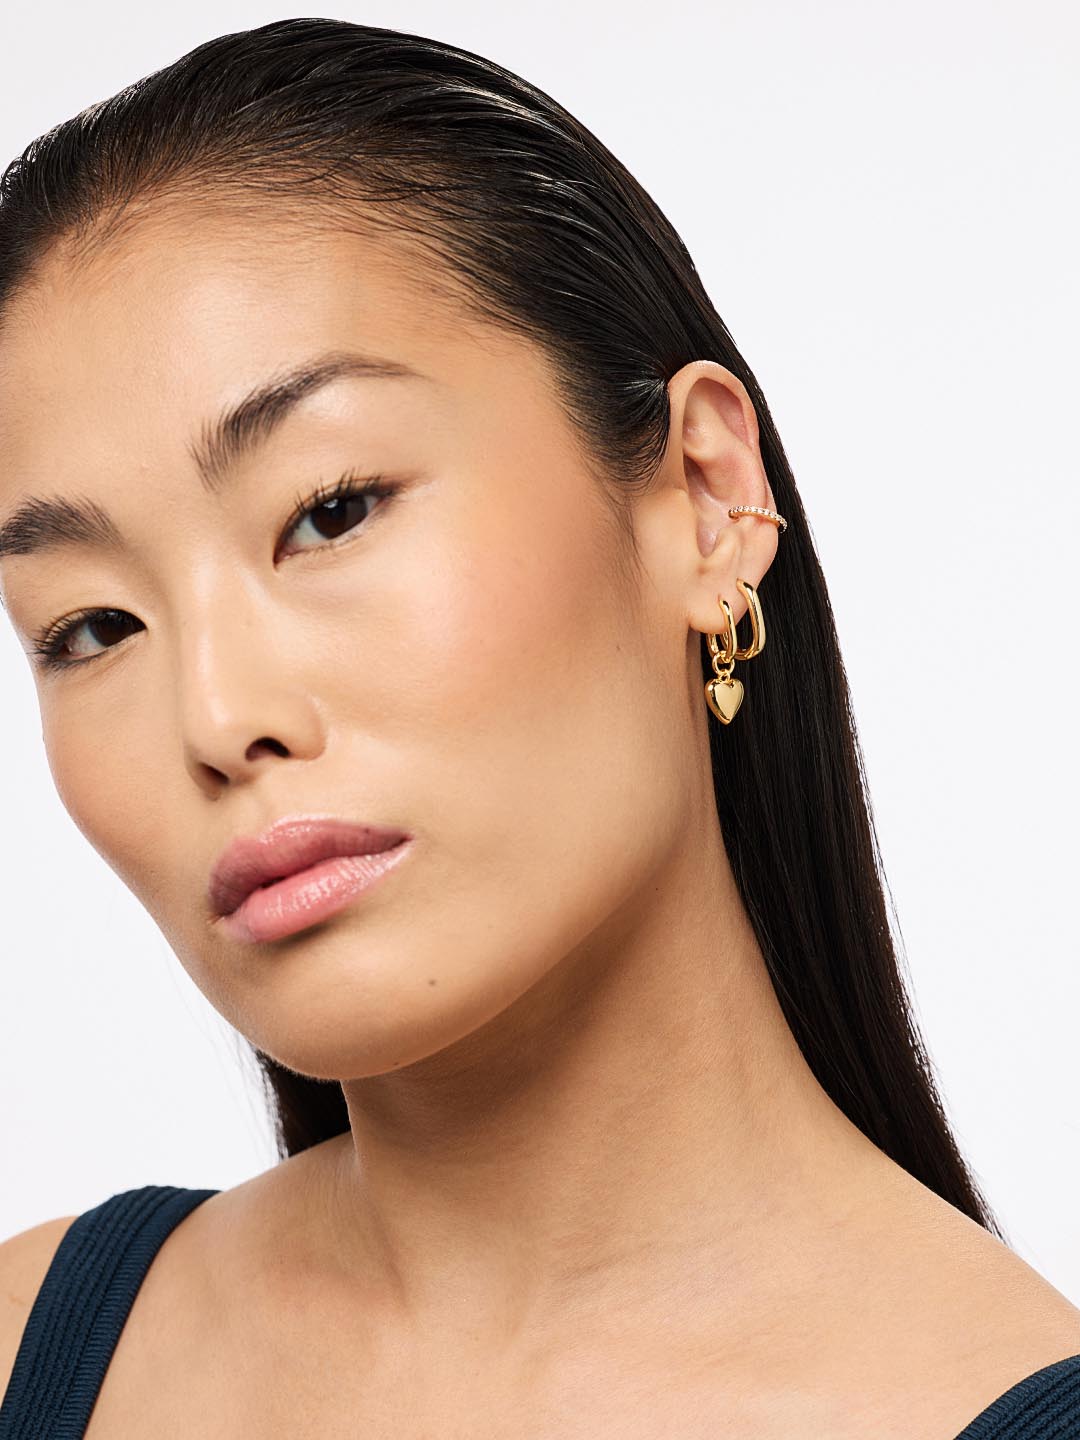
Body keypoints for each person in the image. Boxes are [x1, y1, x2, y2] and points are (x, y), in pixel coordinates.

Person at [0, 18, 1077, 1439]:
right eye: (91, 627)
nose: (217, 717)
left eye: (330, 511)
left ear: (704, 496)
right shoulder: (31, 1350)